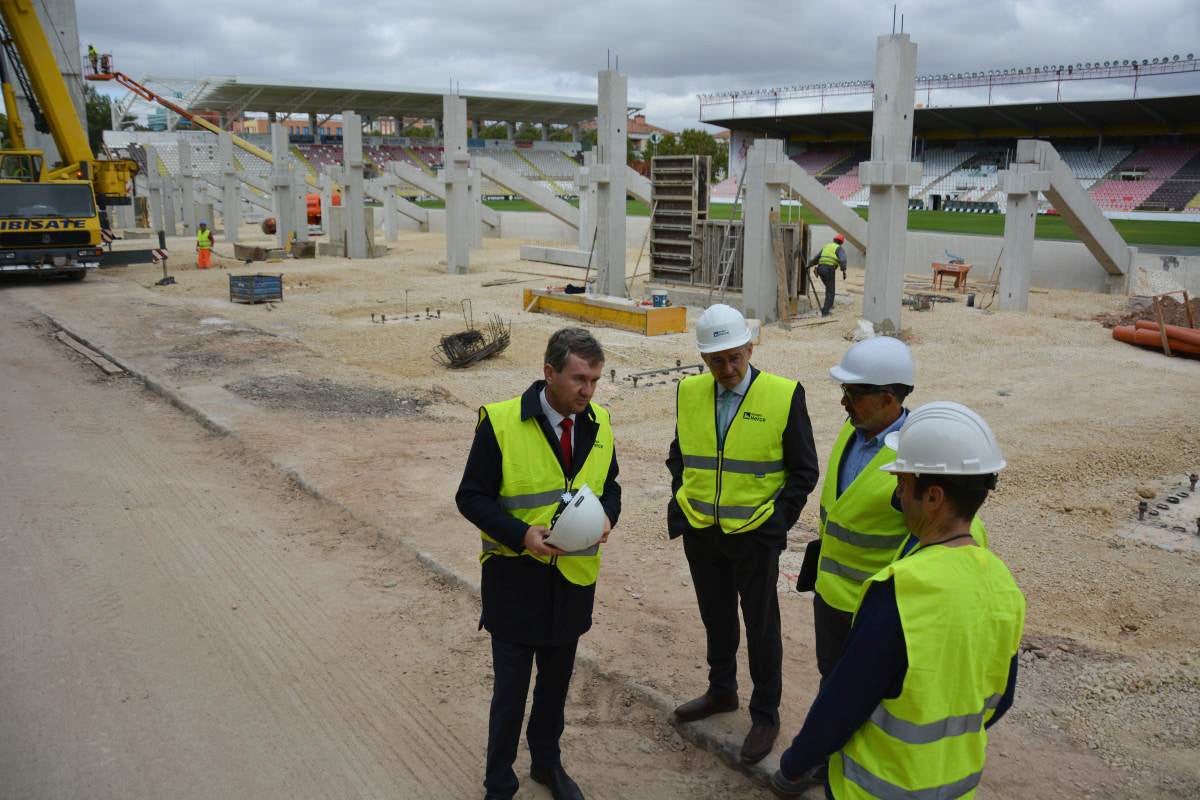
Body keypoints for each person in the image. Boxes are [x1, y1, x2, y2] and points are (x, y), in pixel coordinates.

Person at [772, 401, 1025, 799]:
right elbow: (1000, 698)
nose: (898, 493)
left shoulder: (900, 589)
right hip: (956, 786)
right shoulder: (1003, 586)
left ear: (934, 496)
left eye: (903, 482)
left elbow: (843, 704)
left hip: (876, 787)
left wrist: (793, 765)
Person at [456, 327, 621, 800]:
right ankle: (499, 782)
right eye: (579, 379)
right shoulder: (502, 423)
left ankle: (547, 765)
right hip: (515, 581)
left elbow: (611, 484)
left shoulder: (600, 422)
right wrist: (521, 534)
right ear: (549, 373)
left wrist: (609, 513)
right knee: (510, 696)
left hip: (572, 582)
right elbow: (470, 497)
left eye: (595, 380)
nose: (588, 391)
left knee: (554, 688)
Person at [667, 303, 819, 765]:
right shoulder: (690, 391)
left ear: (750, 347)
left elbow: (803, 470)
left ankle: (766, 712)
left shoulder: (782, 394)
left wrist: (775, 524)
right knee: (716, 616)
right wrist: (683, 498)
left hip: (754, 535)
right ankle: (721, 690)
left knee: (761, 625)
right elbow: (680, 456)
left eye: (735, 357)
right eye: (717, 360)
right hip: (702, 529)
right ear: (703, 358)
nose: (727, 369)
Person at [809, 337, 987, 682]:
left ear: (887, 399)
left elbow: (962, 529)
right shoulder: (854, 427)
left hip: (874, 610)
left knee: (865, 698)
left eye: (853, 394)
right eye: (844, 391)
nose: (843, 402)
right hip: (830, 598)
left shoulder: (919, 452)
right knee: (831, 683)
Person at [808, 234, 847, 317]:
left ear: (834, 240)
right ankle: (825, 312)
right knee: (830, 290)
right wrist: (843, 269)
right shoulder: (839, 248)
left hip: (820, 269)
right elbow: (843, 260)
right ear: (841, 242)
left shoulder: (826, 246)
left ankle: (829, 305)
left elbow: (816, 258)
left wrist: (809, 265)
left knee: (828, 287)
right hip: (829, 269)